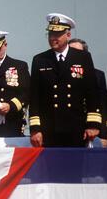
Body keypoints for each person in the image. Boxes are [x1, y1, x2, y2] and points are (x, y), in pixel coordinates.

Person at [29, 13, 101, 147]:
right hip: (49, 129)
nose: (52, 38)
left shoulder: (82, 57)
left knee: (76, 166)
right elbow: (34, 98)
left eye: (57, 35)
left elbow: (92, 93)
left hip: (76, 128)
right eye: (50, 34)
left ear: (68, 35)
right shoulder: (40, 60)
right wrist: (35, 129)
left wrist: (93, 124)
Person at [68, 38, 107, 147]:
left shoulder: (97, 75)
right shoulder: (59, 74)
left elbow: (102, 105)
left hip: (91, 128)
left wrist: (104, 135)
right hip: (68, 129)